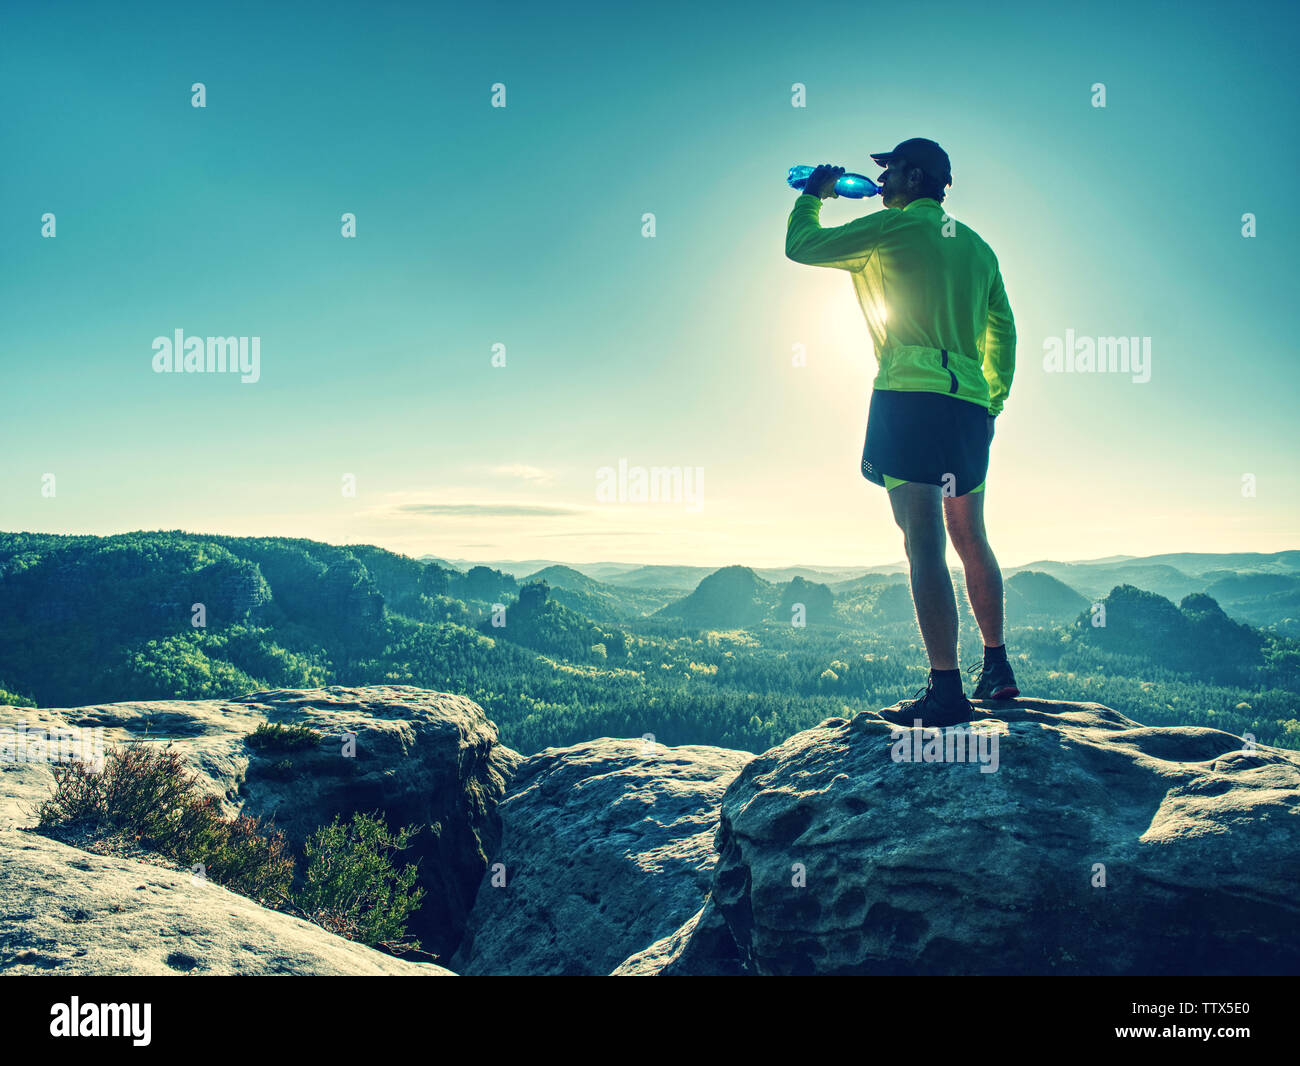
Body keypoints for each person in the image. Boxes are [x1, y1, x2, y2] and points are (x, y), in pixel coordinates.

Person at [786, 137, 1019, 727]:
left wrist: (814, 193)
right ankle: (998, 667)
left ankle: (947, 690)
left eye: (887, 170)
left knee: (923, 541)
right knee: (972, 535)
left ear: (913, 177)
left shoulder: (888, 231)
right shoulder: (977, 246)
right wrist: (992, 396)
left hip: (908, 396)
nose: (880, 180)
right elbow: (1003, 326)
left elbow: (802, 247)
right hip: (967, 403)